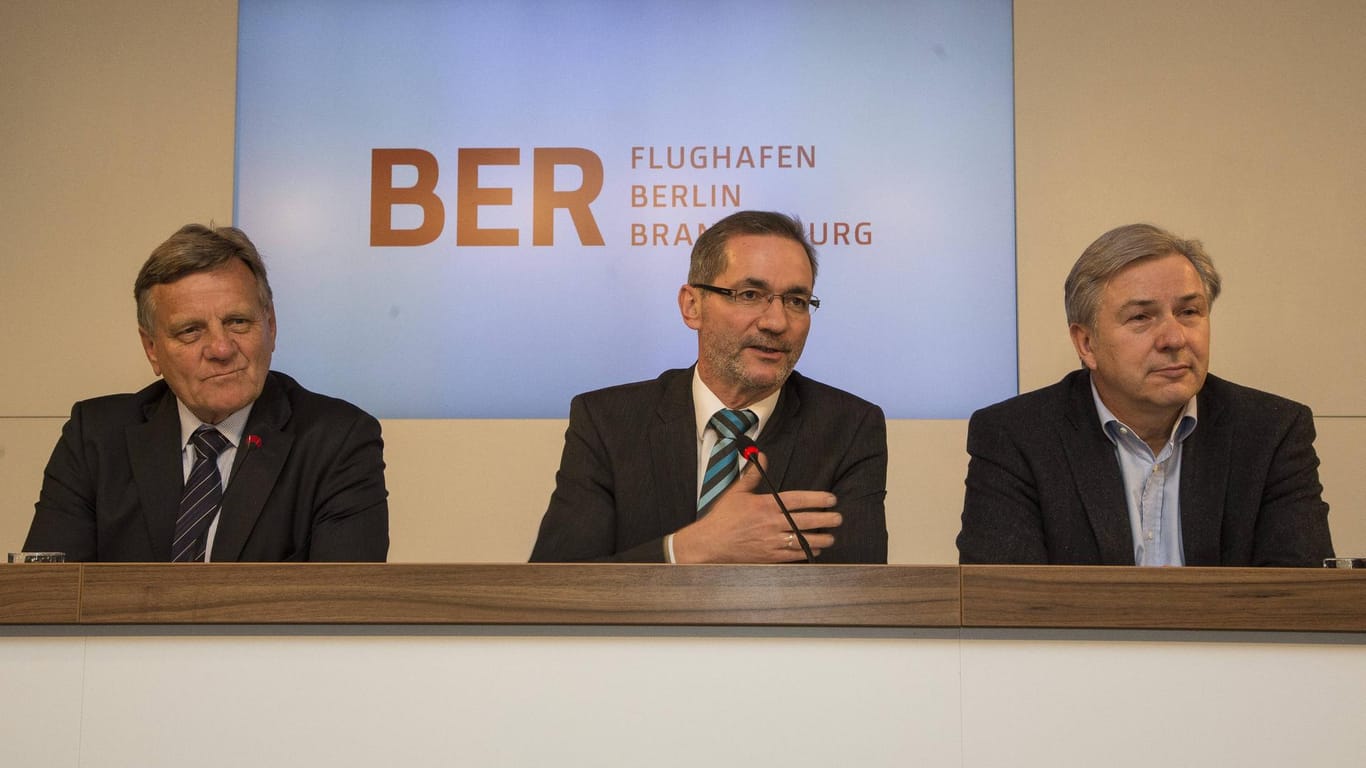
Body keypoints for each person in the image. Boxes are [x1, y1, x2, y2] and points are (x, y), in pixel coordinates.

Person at [957, 223, 1333, 566]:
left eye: (1189, 311)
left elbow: (1299, 604)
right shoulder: (1016, 437)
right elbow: (1005, 610)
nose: (1174, 338)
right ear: (1086, 343)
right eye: (1141, 317)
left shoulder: (1271, 433)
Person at [530, 210, 888, 563]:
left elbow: (859, 599)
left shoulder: (848, 429)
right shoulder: (608, 422)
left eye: (796, 302)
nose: (777, 322)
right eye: (750, 294)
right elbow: (554, 590)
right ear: (692, 306)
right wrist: (687, 550)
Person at [24, 224, 389, 562]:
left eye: (238, 322)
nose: (221, 348)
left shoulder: (338, 440)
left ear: (271, 326)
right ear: (152, 348)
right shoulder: (96, 440)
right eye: (190, 331)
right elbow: (46, 600)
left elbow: (342, 611)